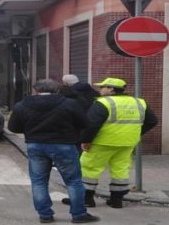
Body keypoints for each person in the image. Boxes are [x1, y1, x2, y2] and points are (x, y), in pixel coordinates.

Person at [7, 79, 99, 224]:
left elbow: (13, 128)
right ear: (57, 90)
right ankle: (79, 214)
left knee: (39, 182)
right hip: (64, 145)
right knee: (73, 181)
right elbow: (84, 123)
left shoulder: (22, 105)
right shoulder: (69, 103)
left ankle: (45, 215)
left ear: (36, 90)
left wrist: (30, 130)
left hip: (35, 145)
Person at [64, 77, 158, 209]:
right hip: (127, 143)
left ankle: (86, 199)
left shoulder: (104, 103)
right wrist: (134, 133)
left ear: (111, 89)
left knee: (89, 169)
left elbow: (91, 125)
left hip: (102, 142)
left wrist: (85, 140)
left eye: (103, 87)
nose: (100, 90)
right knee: (120, 170)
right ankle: (116, 200)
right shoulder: (139, 102)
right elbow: (152, 121)